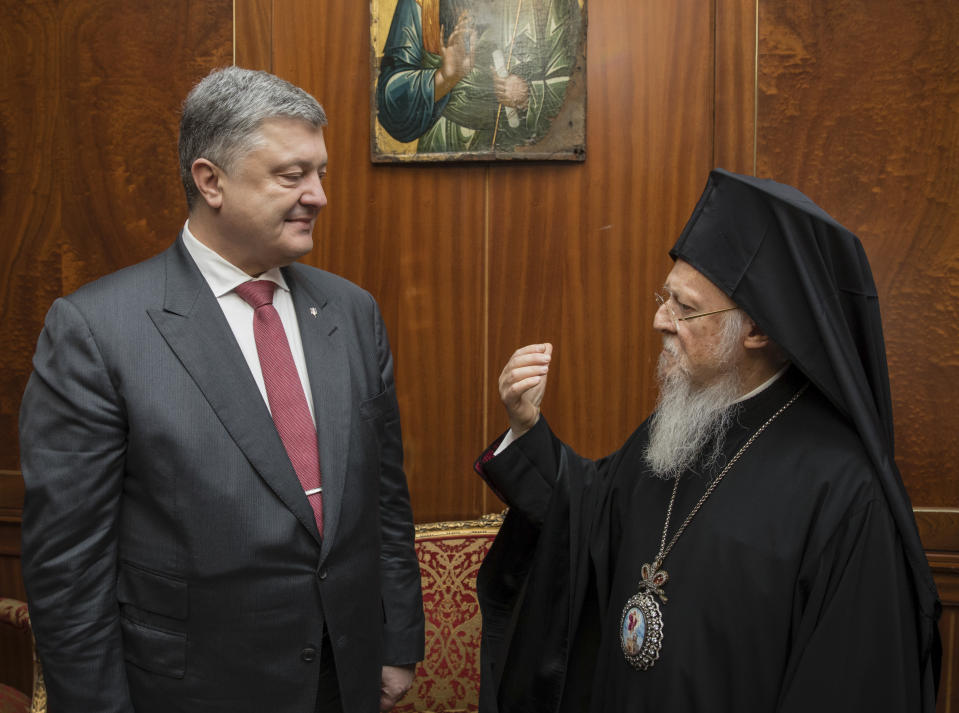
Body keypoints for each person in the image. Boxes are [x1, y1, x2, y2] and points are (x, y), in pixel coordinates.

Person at [19, 67, 424, 713]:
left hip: (340, 672)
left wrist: (395, 638)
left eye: (320, 172)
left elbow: (384, 499)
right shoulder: (98, 330)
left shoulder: (351, 312)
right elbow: (68, 569)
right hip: (190, 687)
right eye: (291, 175)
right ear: (211, 180)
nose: (317, 194)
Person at [474, 169, 941, 712]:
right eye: (664, 297)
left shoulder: (844, 490)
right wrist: (529, 429)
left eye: (686, 308)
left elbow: (848, 682)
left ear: (759, 330)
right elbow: (589, 518)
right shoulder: (678, 426)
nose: (658, 320)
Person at [376, 0, 578, 152]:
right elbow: (390, 103)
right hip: (440, 159)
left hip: (522, 158)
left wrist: (528, 95)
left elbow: (576, 95)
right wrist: (446, 78)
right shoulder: (424, 3)